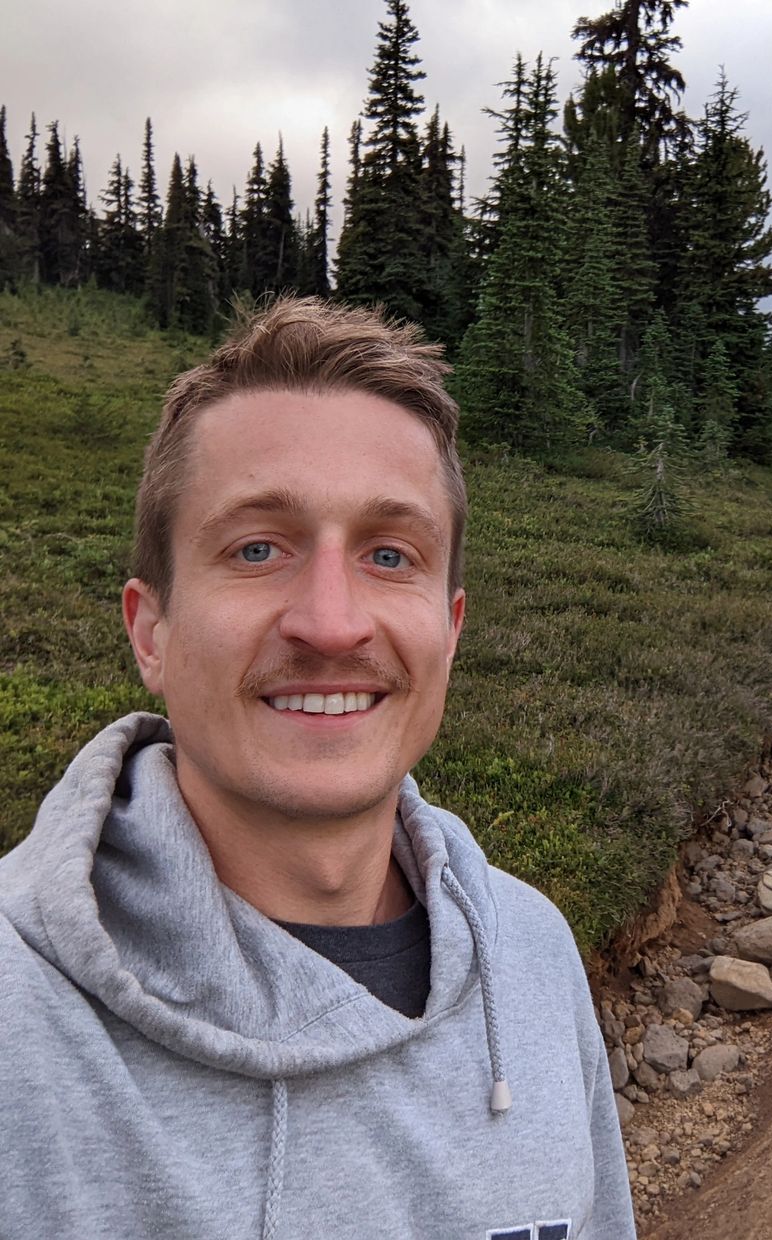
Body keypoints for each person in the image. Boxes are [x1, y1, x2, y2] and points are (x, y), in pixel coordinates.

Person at [0, 297, 636, 1239]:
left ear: (450, 632)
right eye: (258, 549)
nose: (332, 623)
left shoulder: (534, 953)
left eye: (391, 553)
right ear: (151, 629)